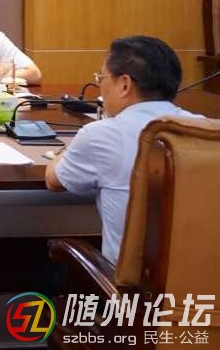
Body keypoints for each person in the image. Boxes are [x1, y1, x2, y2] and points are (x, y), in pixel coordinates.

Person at [45, 36, 203, 262]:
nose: (101, 88)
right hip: (204, 278)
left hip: (128, 281)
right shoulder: (205, 130)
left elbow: (53, 180)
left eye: (101, 79)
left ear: (124, 84)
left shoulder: (100, 135)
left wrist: (62, 153)